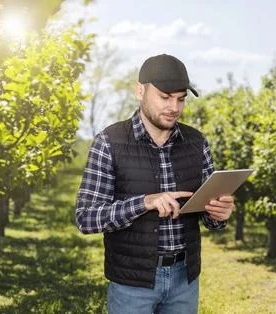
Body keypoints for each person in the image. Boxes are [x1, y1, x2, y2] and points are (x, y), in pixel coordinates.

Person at [75, 53, 235, 314]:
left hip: (184, 280)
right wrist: (144, 203)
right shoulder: (109, 142)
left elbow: (211, 219)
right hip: (131, 284)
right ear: (140, 91)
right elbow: (86, 218)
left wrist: (220, 213)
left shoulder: (197, 143)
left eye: (180, 99)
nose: (174, 107)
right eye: (165, 97)